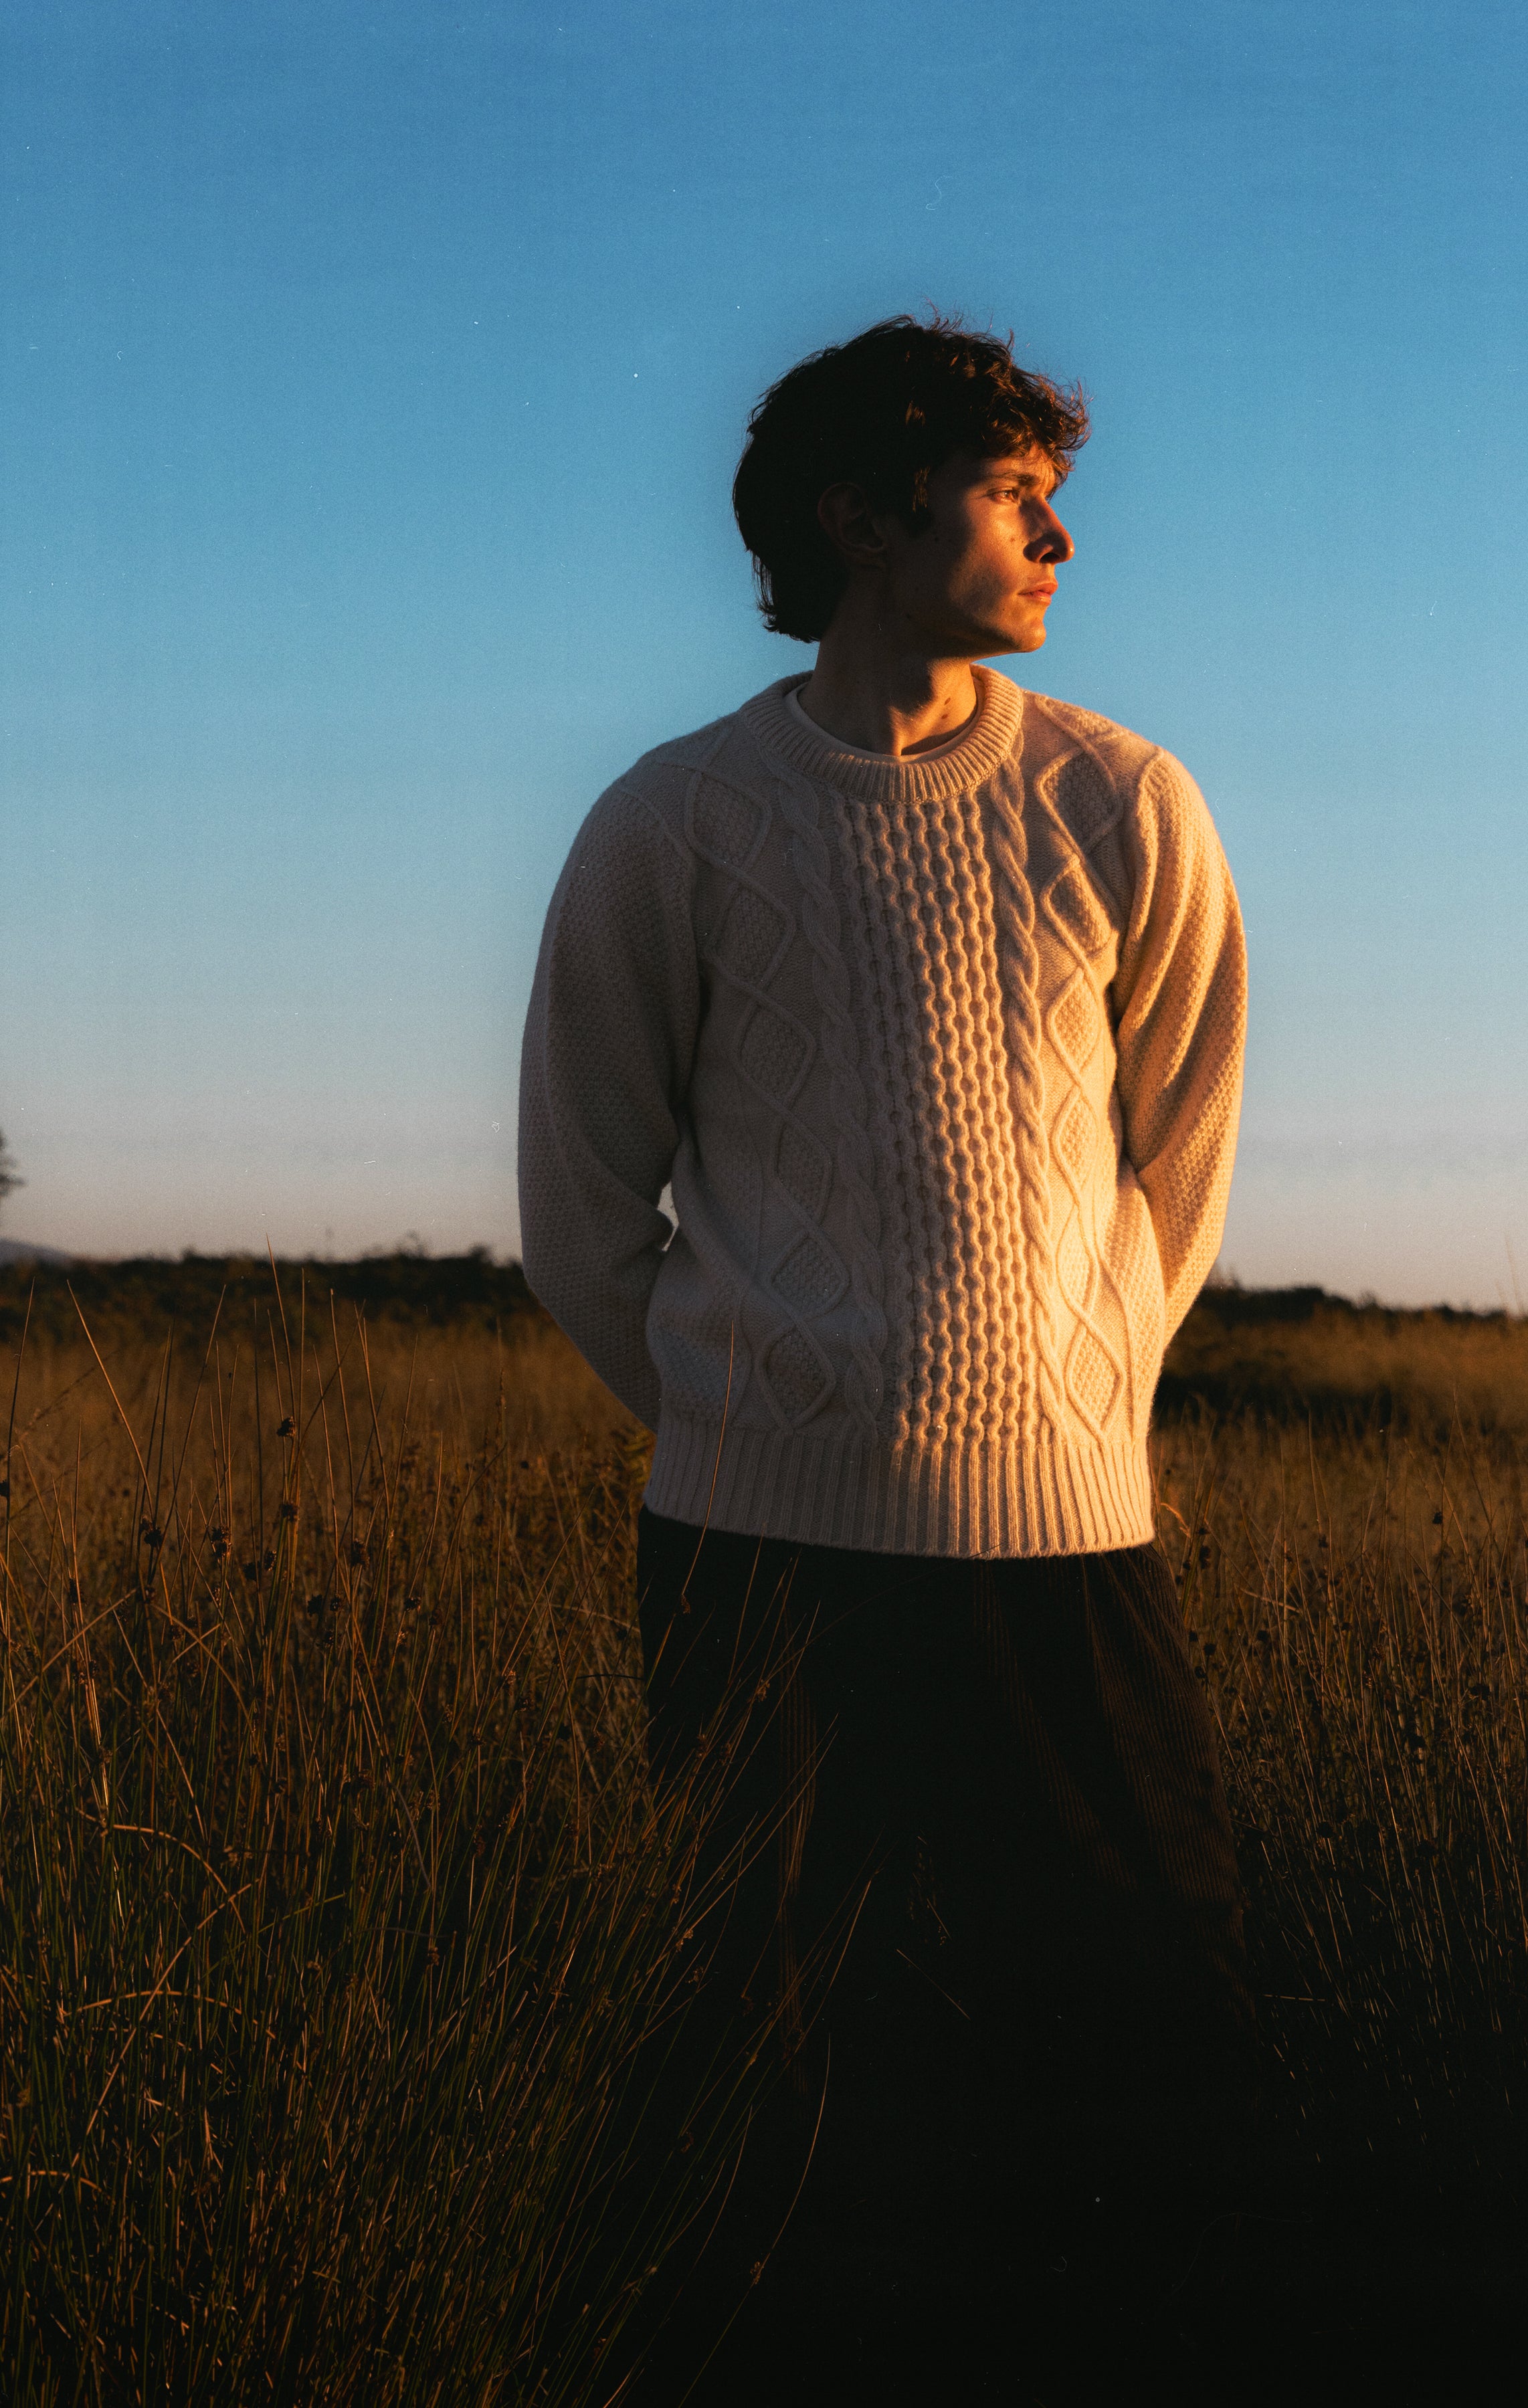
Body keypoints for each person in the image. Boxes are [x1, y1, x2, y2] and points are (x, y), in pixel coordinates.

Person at [518, 314, 1251, 2395]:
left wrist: (1054, 1422)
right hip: (761, 1566)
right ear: (864, 514)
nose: (1063, 538)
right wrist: (775, 1427)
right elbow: (583, 1211)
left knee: (1141, 2033)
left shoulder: (1126, 800)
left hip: (1067, 1563)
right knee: (780, 2062)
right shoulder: (667, 824)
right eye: (1019, 495)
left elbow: (1172, 1178)